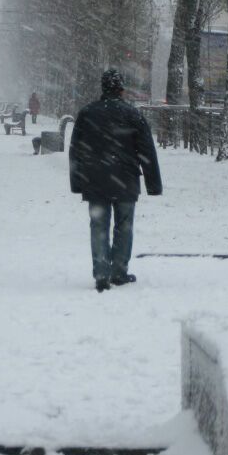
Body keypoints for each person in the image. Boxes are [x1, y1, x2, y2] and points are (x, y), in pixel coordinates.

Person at [69, 69, 162, 292]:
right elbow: (146, 151)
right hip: (126, 179)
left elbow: (76, 150)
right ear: (121, 89)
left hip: (95, 179)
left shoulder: (87, 113)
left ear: (103, 88)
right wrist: (153, 184)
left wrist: (77, 181)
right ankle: (119, 271)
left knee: (98, 226)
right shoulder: (133, 115)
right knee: (124, 226)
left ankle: (101, 273)